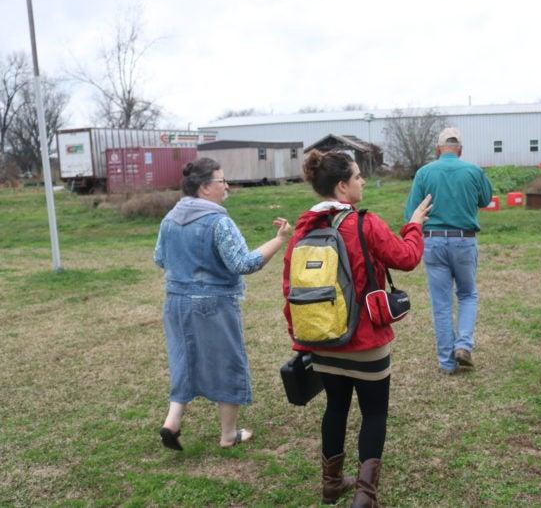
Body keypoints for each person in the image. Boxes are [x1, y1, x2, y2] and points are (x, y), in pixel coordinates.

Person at [282, 150, 432, 507]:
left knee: (335, 408)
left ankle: (331, 484)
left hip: (322, 342)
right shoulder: (365, 223)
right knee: (374, 413)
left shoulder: (304, 228)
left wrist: (301, 341)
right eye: (357, 176)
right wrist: (414, 224)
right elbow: (407, 258)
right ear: (342, 186)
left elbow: (290, 290)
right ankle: (365, 496)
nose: (362, 181)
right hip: (366, 343)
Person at [154, 157, 291, 450]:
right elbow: (244, 263)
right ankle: (228, 435)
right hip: (213, 304)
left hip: (175, 302)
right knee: (227, 363)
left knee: (183, 359)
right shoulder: (219, 221)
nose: (226, 185)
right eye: (221, 181)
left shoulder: (169, 219)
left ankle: (172, 421)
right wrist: (279, 240)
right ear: (205, 187)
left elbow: (160, 259)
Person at [404, 127, 493, 375]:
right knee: (467, 294)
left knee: (441, 303)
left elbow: (411, 213)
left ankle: (446, 362)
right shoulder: (474, 171)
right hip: (464, 241)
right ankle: (463, 344)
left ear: (437, 150)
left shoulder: (424, 173)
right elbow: (486, 200)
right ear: (460, 150)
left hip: (433, 242)